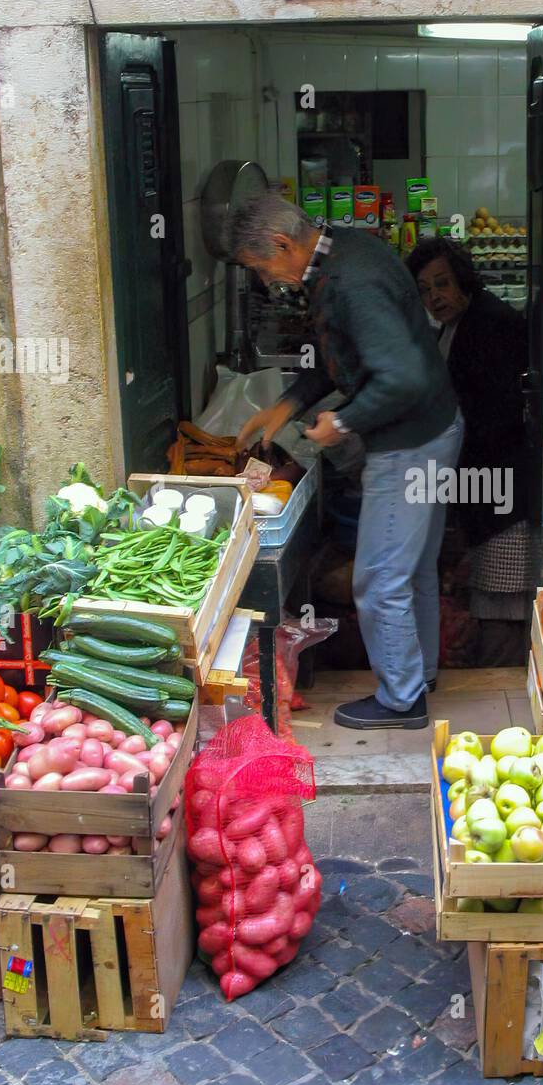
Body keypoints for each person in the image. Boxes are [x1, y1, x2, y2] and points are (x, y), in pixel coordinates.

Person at [229, 193, 463, 731]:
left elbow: (403, 378)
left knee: (379, 579)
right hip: (434, 429)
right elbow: (346, 354)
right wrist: (287, 406)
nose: (266, 281)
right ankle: (418, 674)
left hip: (408, 446)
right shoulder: (340, 249)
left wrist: (345, 421)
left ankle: (402, 701)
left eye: (261, 267)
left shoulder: (352, 282)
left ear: (284, 244)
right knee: (413, 569)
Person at [406, 238, 539, 664]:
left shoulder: (490, 324)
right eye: (425, 290)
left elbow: (492, 417)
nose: (435, 297)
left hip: (503, 489)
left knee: (503, 602)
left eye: (442, 284)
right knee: (489, 597)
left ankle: (504, 694)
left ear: (464, 278)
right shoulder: (459, 323)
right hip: (483, 486)